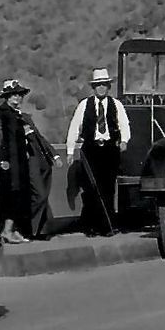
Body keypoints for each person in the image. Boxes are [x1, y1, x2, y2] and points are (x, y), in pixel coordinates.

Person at [66, 67, 130, 237]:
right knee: (91, 188)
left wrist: (124, 140)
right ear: (93, 87)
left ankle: (107, 226)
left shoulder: (116, 105)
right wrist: (70, 150)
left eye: (104, 85)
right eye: (98, 85)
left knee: (108, 188)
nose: (101, 88)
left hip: (109, 150)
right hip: (91, 150)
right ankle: (91, 226)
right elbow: (74, 127)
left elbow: (124, 124)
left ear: (108, 86)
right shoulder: (84, 105)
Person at [0, 79, 54, 242]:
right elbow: (2, 140)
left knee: (18, 195)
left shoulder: (16, 115)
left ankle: (12, 229)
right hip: (9, 162)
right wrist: (3, 159)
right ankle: (6, 230)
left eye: (20, 95)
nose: (18, 97)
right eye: (14, 94)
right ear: (7, 96)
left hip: (19, 161)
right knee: (11, 195)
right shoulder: (2, 115)